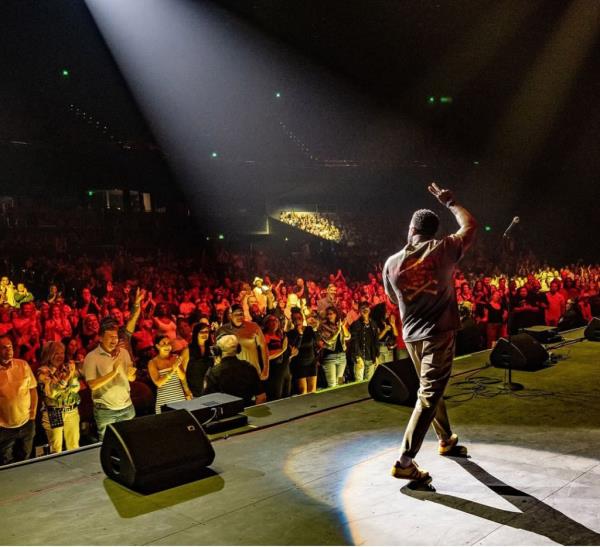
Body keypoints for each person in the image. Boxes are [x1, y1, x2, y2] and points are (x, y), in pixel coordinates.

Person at [383, 182, 477, 482]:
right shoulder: (445, 249)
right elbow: (470, 224)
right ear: (433, 231)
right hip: (439, 333)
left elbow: (390, 298)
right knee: (429, 393)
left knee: (433, 390)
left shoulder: (391, 263)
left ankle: (446, 439)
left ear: (411, 229)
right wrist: (450, 202)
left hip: (412, 336)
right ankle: (404, 460)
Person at [82, 318, 137, 441]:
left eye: (116, 337)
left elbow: (131, 378)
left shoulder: (123, 352)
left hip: (127, 407)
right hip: (106, 412)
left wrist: (131, 375)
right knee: (108, 444)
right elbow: (92, 385)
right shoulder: (91, 357)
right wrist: (113, 372)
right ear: (100, 338)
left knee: (130, 442)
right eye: (110, 337)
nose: (114, 340)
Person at [36, 341, 80, 453]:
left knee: (74, 446)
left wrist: (67, 380)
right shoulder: (43, 371)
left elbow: (75, 388)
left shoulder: (67, 368)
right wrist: (65, 380)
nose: (60, 356)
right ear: (48, 355)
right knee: (56, 449)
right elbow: (51, 393)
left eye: (62, 353)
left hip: (71, 410)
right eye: (56, 353)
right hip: (54, 412)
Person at [0, 335, 37, 465]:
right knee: (6, 462)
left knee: (26, 459)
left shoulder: (23, 365)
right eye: (4, 348)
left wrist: (33, 414)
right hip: (4, 427)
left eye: (10, 346)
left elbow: (32, 390)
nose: (8, 350)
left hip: (26, 422)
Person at [203, 334, 266, 406]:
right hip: (247, 415)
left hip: (225, 416)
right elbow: (262, 398)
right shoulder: (249, 368)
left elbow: (206, 401)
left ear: (218, 351)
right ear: (238, 349)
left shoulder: (213, 373)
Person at [216, 304, 269, 381]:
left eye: (241, 314)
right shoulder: (222, 330)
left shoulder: (253, 327)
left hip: (252, 371)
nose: (239, 317)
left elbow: (263, 347)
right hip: (232, 374)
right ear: (231, 316)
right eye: (236, 314)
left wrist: (266, 369)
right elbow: (217, 353)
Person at [148, 335, 192, 414]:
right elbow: (158, 383)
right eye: (164, 343)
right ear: (157, 346)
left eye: (168, 343)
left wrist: (177, 367)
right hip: (164, 401)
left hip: (179, 398)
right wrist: (172, 370)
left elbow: (182, 377)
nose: (167, 345)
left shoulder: (175, 357)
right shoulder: (153, 362)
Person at [262, 314, 295, 400]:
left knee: (287, 397)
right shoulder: (264, 337)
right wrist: (282, 350)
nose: (274, 322)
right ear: (266, 323)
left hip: (286, 370)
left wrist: (292, 353)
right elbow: (266, 356)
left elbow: (288, 352)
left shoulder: (282, 335)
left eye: (276, 320)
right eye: (271, 320)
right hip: (274, 371)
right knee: (277, 397)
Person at [317, 306, 350, 388]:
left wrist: (342, 327)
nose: (329, 316)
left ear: (336, 314)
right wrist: (338, 331)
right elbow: (328, 341)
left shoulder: (339, 325)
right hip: (330, 357)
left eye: (331, 314)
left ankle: (343, 400)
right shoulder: (323, 326)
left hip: (342, 357)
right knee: (332, 384)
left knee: (340, 383)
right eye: (327, 314)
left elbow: (348, 336)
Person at [287, 309, 318, 395]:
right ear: (292, 321)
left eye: (299, 318)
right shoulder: (290, 334)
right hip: (299, 365)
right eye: (295, 319)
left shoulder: (309, 329)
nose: (297, 320)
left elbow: (314, 343)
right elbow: (295, 349)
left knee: (312, 391)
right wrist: (299, 334)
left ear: (302, 319)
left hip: (311, 362)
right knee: (303, 391)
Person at [349, 302, 379, 382]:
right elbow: (354, 342)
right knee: (359, 384)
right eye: (363, 308)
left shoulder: (373, 324)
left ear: (369, 310)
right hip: (360, 359)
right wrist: (358, 357)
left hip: (370, 359)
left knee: (369, 383)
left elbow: (376, 341)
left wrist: (376, 356)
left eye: (367, 308)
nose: (365, 310)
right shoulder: (355, 324)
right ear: (359, 310)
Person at [186, 322, 214, 397]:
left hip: (210, 389)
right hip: (194, 391)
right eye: (202, 332)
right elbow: (183, 372)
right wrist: (186, 390)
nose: (205, 334)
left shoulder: (211, 349)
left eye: (207, 332)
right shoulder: (188, 350)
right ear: (196, 333)